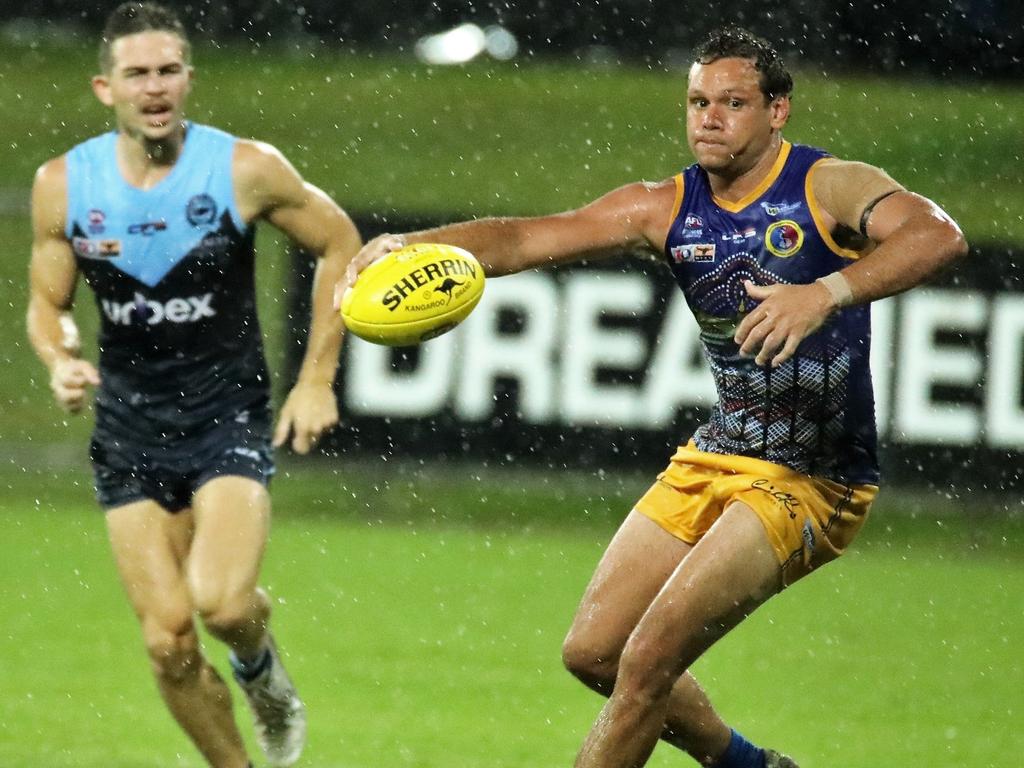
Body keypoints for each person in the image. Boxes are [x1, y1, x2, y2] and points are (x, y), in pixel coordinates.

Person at [338, 26, 967, 768]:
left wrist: (825, 292)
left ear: (778, 111)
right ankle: (748, 766)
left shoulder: (827, 185)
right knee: (595, 655)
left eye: (733, 102)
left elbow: (937, 235)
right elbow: (528, 237)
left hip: (813, 481)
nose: (709, 117)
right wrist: (413, 243)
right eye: (698, 101)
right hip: (720, 453)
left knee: (645, 664)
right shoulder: (666, 206)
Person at [26, 3, 360, 767]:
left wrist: (317, 379)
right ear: (104, 87)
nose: (154, 87)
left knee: (224, 604)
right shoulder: (63, 186)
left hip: (225, 418)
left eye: (168, 71)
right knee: (167, 637)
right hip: (129, 429)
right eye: (136, 73)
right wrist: (61, 360)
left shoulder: (243, 169)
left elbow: (340, 242)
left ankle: (260, 669)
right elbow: (47, 305)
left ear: (188, 80)